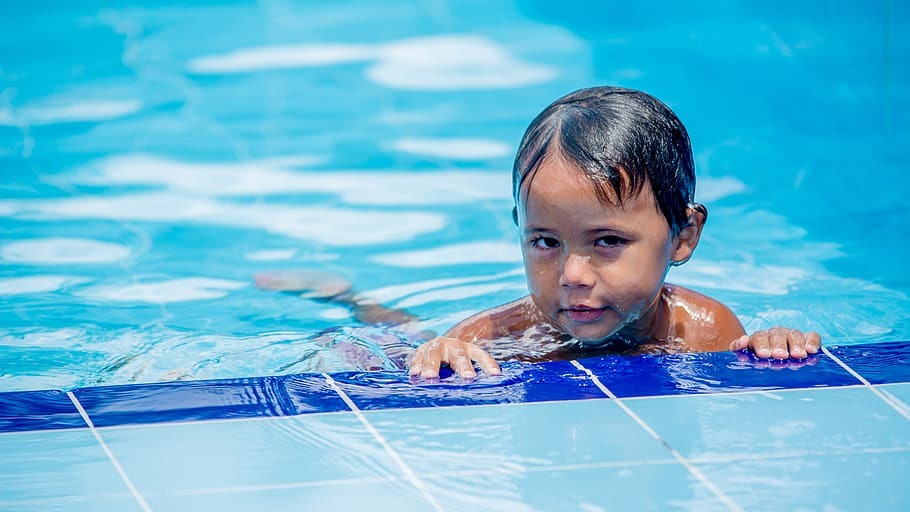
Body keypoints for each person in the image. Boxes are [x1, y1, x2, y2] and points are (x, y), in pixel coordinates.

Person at [257, 86, 821, 379]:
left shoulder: (706, 329)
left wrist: (771, 347)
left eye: (608, 242)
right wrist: (443, 352)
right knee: (398, 339)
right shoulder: (493, 335)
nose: (572, 275)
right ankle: (351, 301)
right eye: (546, 242)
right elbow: (435, 367)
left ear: (683, 236)